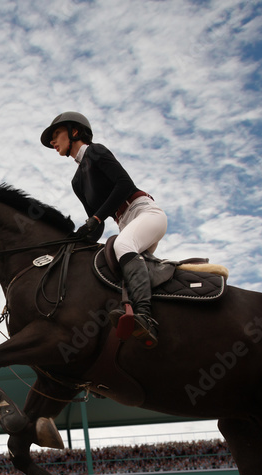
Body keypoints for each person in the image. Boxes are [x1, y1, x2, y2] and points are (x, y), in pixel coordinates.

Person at [41, 111, 168, 347]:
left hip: (145, 213)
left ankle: (146, 317)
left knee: (121, 245)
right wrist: (72, 240)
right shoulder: (77, 182)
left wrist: (97, 218)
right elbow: (94, 225)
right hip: (127, 224)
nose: (52, 141)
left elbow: (124, 185)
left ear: (75, 132)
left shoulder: (96, 151)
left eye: (56, 134)